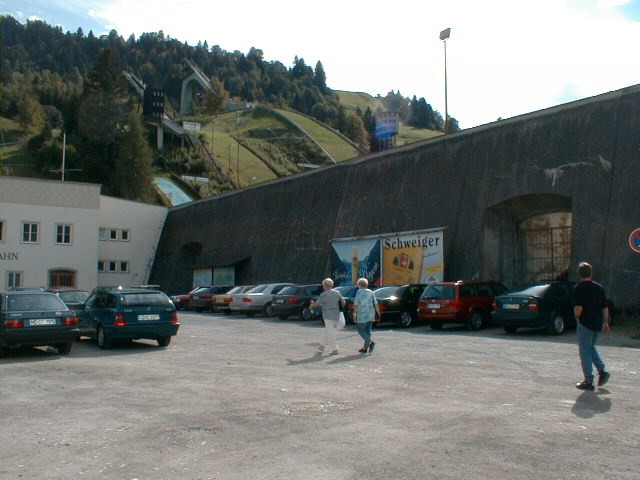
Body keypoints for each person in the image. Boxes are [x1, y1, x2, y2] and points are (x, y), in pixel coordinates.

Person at [573, 261, 611, 391]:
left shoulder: (579, 288)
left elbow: (579, 308)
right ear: (591, 273)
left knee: (585, 353)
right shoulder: (599, 287)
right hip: (597, 323)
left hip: (585, 323)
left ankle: (588, 381)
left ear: (579, 273)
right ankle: (602, 371)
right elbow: (605, 307)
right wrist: (605, 322)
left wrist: (577, 318)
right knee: (591, 348)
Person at [310, 278, 345, 355]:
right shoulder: (337, 292)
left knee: (331, 332)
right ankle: (322, 345)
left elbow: (317, 304)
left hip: (327, 314)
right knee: (328, 330)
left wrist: (311, 305)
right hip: (336, 314)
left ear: (324, 286)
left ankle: (335, 349)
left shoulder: (323, 294)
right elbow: (343, 302)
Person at [352, 278, 380, 354]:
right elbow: (376, 303)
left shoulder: (359, 292)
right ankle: (365, 348)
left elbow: (356, 304)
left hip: (362, 314)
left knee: (361, 331)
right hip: (371, 314)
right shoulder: (371, 292)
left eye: (357, 284)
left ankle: (370, 342)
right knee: (368, 331)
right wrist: (378, 313)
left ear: (359, 285)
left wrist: (354, 313)